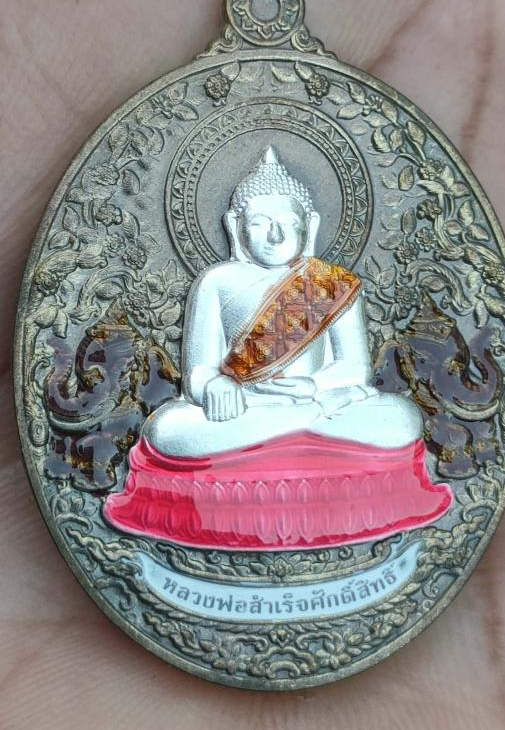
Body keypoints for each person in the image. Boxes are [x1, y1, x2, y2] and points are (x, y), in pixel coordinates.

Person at [104, 147, 452, 548]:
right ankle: (299, 423)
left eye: (288, 222)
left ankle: (296, 420)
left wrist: (313, 387)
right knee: (168, 428)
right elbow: (198, 370)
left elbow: (355, 368)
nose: (276, 235)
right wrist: (216, 386)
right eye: (260, 223)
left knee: (401, 417)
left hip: (315, 401)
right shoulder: (217, 281)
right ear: (235, 227)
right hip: (249, 408)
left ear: (310, 225)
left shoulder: (332, 284)